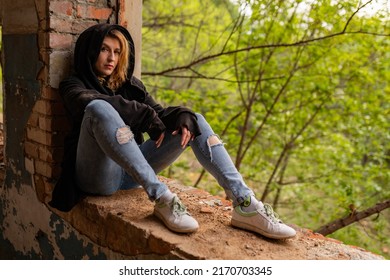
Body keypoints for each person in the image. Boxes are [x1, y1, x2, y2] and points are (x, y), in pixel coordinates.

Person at [49, 23, 296, 239]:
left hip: (132, 174)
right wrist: (141, 114)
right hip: (98, 178)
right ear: (89, 51)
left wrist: (181, 115)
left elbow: (158, 112)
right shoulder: (73, 85)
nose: (111, 57)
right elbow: (85, 101)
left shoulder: (131, 87)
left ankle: (245, 203)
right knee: (98, 107)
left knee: (195, 120)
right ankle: (162, 198)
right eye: (104, 49)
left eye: (117, 51)